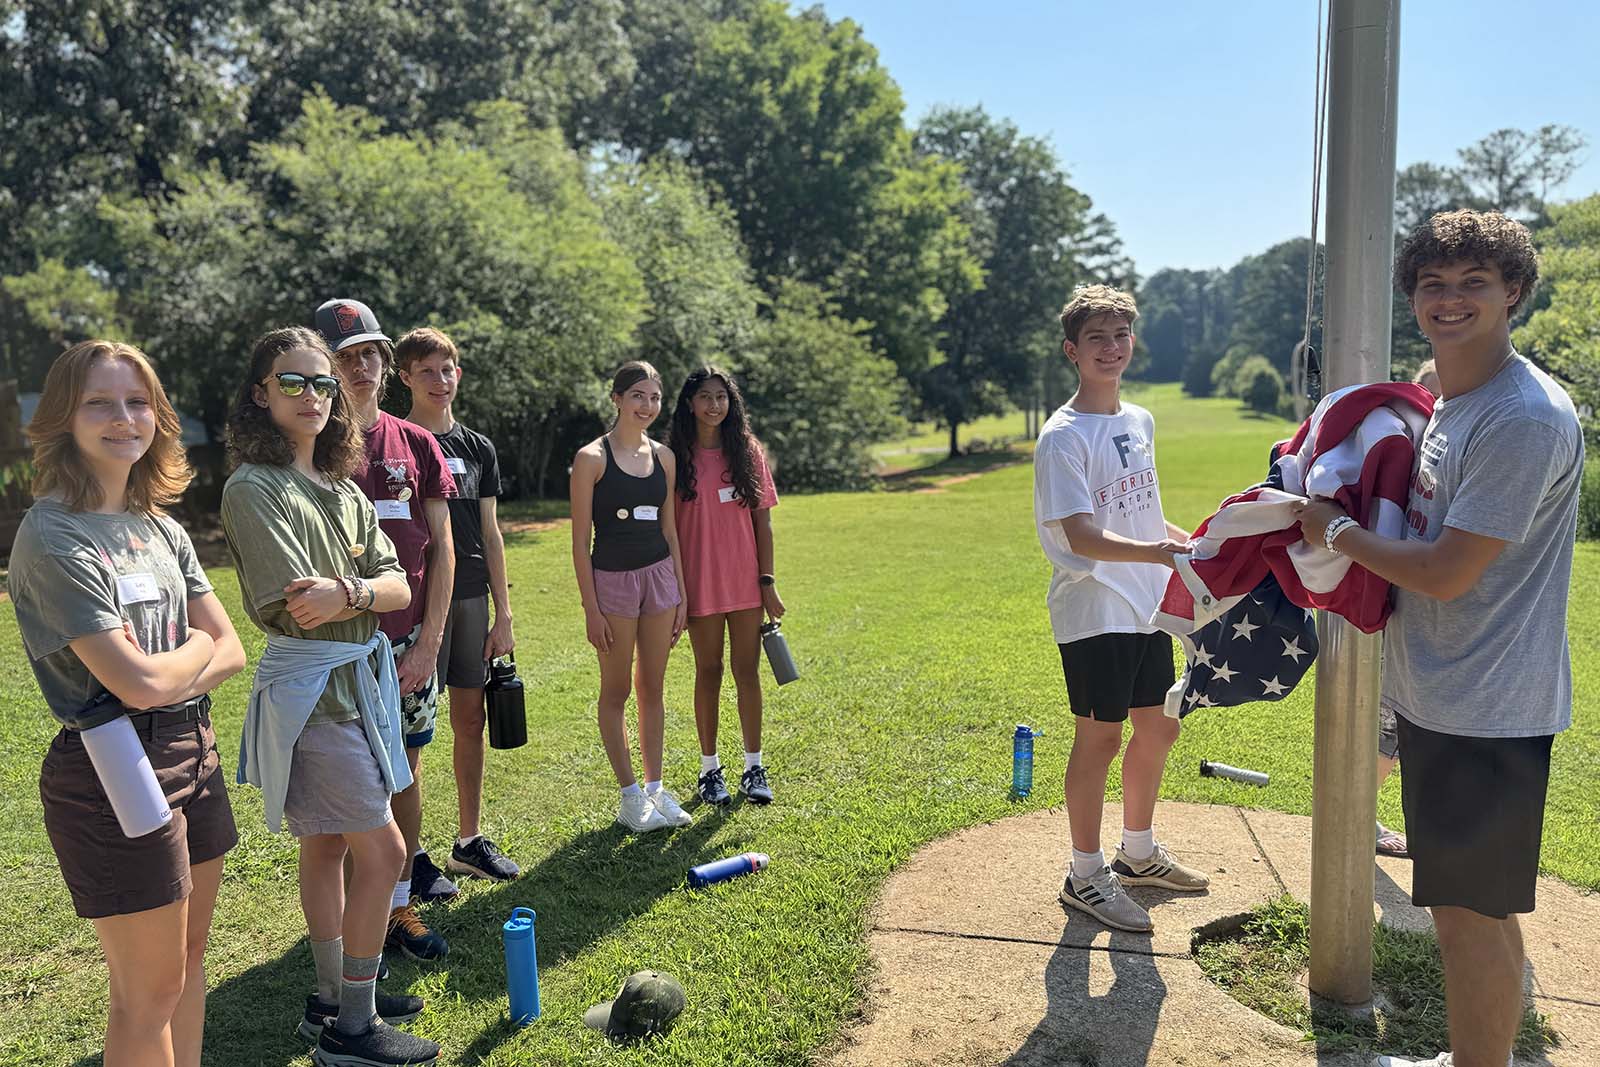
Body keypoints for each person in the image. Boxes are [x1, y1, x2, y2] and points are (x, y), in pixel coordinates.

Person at [1294, 211, 1582, 1067]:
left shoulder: (1520, 417)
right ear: (1413, 298)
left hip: (1485, 709)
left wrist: (1332, 532)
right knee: (1480, 911)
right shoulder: (1460, 401)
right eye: (1433, 284)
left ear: (1515, 294)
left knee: (1465, 920)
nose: (1450, 300)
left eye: (1474, 284)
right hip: (1448, 698)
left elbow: (1449, 569)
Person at [9, 340, 245, 1067]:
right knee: (146, 995)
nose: (124, 417)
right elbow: (137, 682)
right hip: (112, 764)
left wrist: (172, 669)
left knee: (191, 958)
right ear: (62, 418)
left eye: (137, 400)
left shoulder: (162, 527)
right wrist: (187, 660)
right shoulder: (53, 534)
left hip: (191, 749)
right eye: (100, 402)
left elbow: (231, 647)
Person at [221, 327, 439, 1067]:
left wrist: (351, 586)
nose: (311, 395)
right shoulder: (254, 486)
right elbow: (295, 602)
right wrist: (362, 590)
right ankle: (353, 1029)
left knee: (324, 843)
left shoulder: (345, 488)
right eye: (292, 382)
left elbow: (397, 586)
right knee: (383, 852)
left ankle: (332, 998)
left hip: (354, 677)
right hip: (312, 689)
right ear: (261, 394)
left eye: (322, 383)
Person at [1033, 284, 1211, 935]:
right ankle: (1084, 873)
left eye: (1121, 335)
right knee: (1100, 736)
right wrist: (1156, 550)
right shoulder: (1062, 437)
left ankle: (1137, 855)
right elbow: (1080, 535)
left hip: (1143, 603)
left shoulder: (1139, 420)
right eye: (1097, 338)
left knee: (1160, 726)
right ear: (1072, 351)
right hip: (1094, 605)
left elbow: (1135, 511)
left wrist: (1187, 542)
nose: (1112, 348)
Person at [314, 299, 458, 964]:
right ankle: (349, 917)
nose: (362, 365)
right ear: (323, 368)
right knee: (348, 785)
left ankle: (398, 905)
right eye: (346, 356)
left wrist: (429, 643)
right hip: (339, 650)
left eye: (370, 352)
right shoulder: (311, 450)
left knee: (404, 773)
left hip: (407, 649)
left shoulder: (418, 443)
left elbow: (444, 551)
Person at [396, 327, 519, 881]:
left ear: (458, 374)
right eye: (426, 371)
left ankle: (468, 842)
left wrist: (504, 614)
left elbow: (490, 534)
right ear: (405, 378)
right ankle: (411, 857)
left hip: (469, 599)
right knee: (411, 732)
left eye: (447, 370)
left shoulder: (479, 448)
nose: (439, 381)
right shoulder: (394, 443)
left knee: (471, 720)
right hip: (414, 602)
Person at [570, 361, 693, 833]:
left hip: (660, 579)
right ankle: (629, 798)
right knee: (617, 690)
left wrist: (679, 593)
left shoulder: (664, 457)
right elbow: (581, 542)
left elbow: (671, 531)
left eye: (655, 398)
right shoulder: (591, 459)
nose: (647, 406)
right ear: (617, 398)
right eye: (638, 395)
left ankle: (656, 790)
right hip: (613, 584)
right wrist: (591, 608)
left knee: (653, 687)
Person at [667, 367, 784, 807]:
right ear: (689, 404)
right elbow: (669, 531)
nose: (714, 406)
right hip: (698, 586)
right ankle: (709, 769)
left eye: (722, 397)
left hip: (746, 586)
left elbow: (764, 523)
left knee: (747, 671)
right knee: (709, 671)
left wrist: (768, 583)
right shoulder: (673, 457)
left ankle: (754, 766)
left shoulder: (748, 452)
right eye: (705, 397)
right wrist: (675, 591)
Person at [1374, 359, 1443, 861]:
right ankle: (1358, 818)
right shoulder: (1401, 455)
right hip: (1390, 609)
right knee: (1385, 725)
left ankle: (1362, 816)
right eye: (1429, 400)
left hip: (1426, 614)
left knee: (1397, 727)